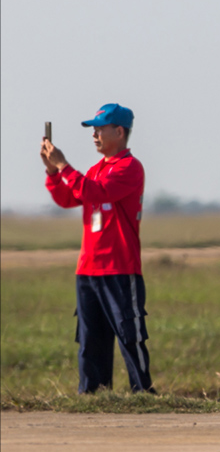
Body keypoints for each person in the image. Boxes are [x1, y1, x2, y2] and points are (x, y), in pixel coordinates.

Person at [40, 103, 155, 394]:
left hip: (119, 266)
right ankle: (93, 394)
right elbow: (69, 198)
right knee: (91, 338)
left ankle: (143, 392)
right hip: (88, 268)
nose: (94, 134)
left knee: (129, 333)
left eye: (100, 129)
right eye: (93, 129)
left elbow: (96, 191)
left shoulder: (130, 167)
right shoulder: (96, 169)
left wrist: (65, 166)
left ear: (119, 131)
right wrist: (54, 172)